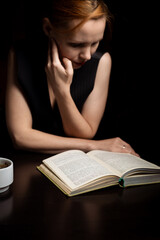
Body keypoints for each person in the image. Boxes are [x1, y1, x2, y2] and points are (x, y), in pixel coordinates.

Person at [5, 0, 138, 156]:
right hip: (25, 163)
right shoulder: (21, 55)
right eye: (76, 44)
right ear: (48, 28)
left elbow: (84, 134)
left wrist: (62, 92)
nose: (87, 55)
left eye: (95, 43)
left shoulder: (101, 61)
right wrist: (95, 146)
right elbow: (20, 137)